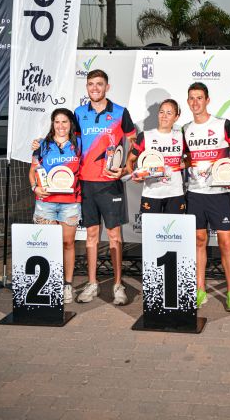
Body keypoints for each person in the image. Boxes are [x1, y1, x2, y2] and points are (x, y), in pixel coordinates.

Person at [74, 69, 136, 305]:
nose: (95, 88)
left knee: (114, 236)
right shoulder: (79, 113)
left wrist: (126, 168)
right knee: (91, 235)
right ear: (87, 87)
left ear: (107, 87)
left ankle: (118, 285)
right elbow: (72, 144)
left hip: (111, 184)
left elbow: (134, 141)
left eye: (99, 84)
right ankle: (92, 284)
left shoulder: (120, 112)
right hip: (87, 183)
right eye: (91, 84)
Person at [183, 82, 230, 311]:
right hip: (195, 193)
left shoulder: (223, 125)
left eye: (200, 98)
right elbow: (186, 159)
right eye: (191, 98)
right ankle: (200, 290)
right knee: (198, 241)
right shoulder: (185, 129)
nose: (195, 102)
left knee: (226, 243)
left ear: (207, 100)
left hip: (219, 193)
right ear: (188, 102)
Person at [29, 109, 82, 303]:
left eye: (64, 122)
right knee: (48, 245)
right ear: (53, 124)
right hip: (46, 203)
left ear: (71, 124)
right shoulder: (42, 145)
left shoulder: (79, 144)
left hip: (70, 203)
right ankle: (49, 285)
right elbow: (32, 170)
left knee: (68, 244)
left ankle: (67, 286)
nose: (61, 126)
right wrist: (35, 187)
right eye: (57, 122)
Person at [125, 99, 186, 214]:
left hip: (175, 193)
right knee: (150, 231)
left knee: (174, 231)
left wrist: (184, 163)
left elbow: (190, 159)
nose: (164, 116)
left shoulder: (181, 137)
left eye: (169, 113)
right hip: (151, 194)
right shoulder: (145, 136)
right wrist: (134, 175)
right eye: (161, 112)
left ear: (176, 117)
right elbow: (130, 160)